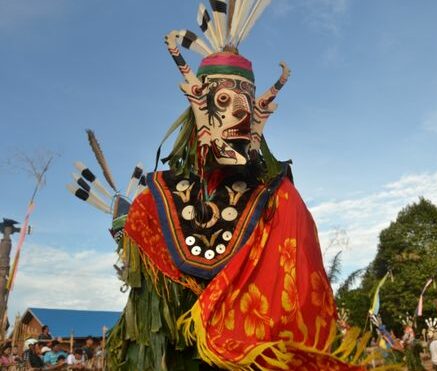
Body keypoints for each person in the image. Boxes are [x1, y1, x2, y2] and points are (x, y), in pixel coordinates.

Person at [69, 2, 369, 370]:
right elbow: (150, 317)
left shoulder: (278, 201)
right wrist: (129, 239)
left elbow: (297, 303)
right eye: (223, 101)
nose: (237, 115)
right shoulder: (154, 204)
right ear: (198, 101)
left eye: (244, 104)